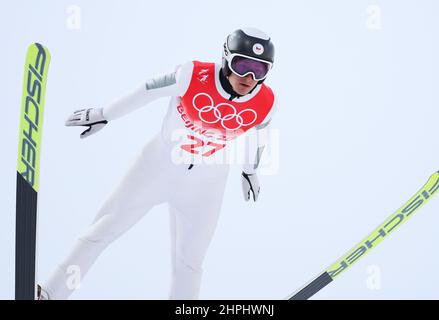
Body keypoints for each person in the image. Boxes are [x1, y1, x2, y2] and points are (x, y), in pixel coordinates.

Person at [38, 27, 277, 300]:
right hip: (157, 168)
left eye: (259, 70)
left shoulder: (266, 102)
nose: (249, 77)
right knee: (102, 229)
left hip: (206, 188)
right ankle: (49, 294)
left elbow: (259, 136)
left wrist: (250, 171)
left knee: (190, 263)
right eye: (242, 64)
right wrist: (103, 114)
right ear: (226, 58)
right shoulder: (192, 74)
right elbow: (146, 91)